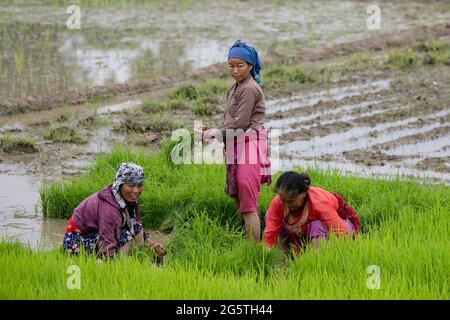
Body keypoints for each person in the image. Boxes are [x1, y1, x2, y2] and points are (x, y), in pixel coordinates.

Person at [200, 40, 271, 241]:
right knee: (238, 196)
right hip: (236, 144)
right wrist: (213, 130)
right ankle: (245, 241)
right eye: (231, 65)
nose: (235, 69)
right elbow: (231, 121)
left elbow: (240, 124)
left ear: (250, 66)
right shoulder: (235, 88)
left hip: (250, 145)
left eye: (240, 65)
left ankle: (252, 251)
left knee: (248, 203)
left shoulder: (249, 88)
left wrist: (214, 133)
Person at [63, 162, 165, 259]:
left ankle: (138, 257)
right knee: (125, 236)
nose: (136, 190)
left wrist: (152, 246)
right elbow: (107, 246)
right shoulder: (109, 207)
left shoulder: (130, 200)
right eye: (131, 185)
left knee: (136, 227)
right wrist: (114, 266)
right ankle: (121, 264)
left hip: (96, 234)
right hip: (75, 240)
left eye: (139, 185)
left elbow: (136, 227)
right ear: (119, 185)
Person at [263, 171, 360, 254]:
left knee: (316, 225)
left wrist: (348, 252)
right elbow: (270, 230)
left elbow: (340, 230)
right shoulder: (279, 202)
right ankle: (283, 265)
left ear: (304, 193)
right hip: (301, 229)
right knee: (270, 216)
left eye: (292, 201)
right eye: (283, 200)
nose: (287, 204)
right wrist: (265, 250)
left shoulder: (319, 203)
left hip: (339, 224)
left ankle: (317, 261)